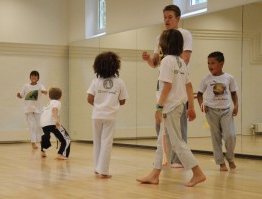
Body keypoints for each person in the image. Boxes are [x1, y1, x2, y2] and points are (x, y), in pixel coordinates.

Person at [137, 29, 206, 187]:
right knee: (162, 142)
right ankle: (155, 174)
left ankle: (197, 173)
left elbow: (167, 86)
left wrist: (159, 107)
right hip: (178, 106)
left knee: (176, 142)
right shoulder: (181, 61)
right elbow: (189, 86)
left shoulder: (167, 61)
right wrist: (191, 107)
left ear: (165, 44)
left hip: (169, 108)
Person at [142, 4, 193, 168]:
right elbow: (156, 63)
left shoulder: (184, 34)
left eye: (170, 17)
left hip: (176, 82)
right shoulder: (160, 38)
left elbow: (185, 58)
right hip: (164, 81)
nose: (167, 20)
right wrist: (149, 60)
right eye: (165, 17)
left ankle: (179, 160)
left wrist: (172, 68)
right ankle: (164, 158)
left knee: (178, 127)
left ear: (178, 18)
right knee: (161, 127)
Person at [87, 51, 129, 179]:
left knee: (97, 142)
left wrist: (99, 104)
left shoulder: (95, 81)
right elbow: (123, 101)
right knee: (107, 143)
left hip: (96, 115)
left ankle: (96, 168)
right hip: (110, 116)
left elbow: (89, 99)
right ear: (115, 65)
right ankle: (103, 171)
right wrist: (111, 101)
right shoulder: (119, 82)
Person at [197, 51, 238, 171]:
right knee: (216, 137)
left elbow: (234, 93)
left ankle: (230, 158)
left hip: (226, 111)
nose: (210, 65)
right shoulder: (206, 79)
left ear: (221, 64)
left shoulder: (229, 78)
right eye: (208, 63)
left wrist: (236, 106)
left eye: (213, 63)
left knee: (230, 135)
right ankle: (221, 163)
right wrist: (201, 105)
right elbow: (199, 94)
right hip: (211, 112)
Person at [17, 70, 47, 149]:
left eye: (35, 76)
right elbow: (21, 95)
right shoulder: (26, 86)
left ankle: (41, 140)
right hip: (28, 109)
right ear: (30, 77)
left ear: (38, 78)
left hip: (38, 109)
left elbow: (45, 91)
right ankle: (33, 142)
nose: (33, 77)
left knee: (40, 125)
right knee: (32, 126)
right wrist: (18, 95)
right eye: (32, 75)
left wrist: (44, 92)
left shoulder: (40, 85)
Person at [40, 87, 71, 160]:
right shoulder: (57, 102)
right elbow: (54, 109)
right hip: (52, 123)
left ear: (49, 96)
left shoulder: (47, 104)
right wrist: (57, 120)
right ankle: (61, 154)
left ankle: (43, 151)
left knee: (45, 137)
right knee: (66, 139)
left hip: (43, 123)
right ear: (60, 96)